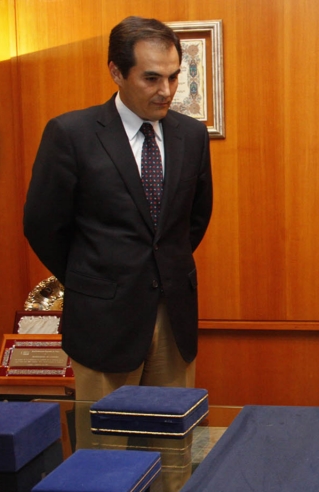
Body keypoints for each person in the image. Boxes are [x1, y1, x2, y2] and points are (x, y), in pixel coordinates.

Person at [23, 15, 213, 401]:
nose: (167, 90)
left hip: (173, 317)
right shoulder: (71, 134)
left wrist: (160, 268)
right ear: (116, 72)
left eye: (174, 77)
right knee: (104, 451)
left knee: (172, 445)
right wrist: (95, 277)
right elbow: (43, 226)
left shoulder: (190, 135)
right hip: (102, 321)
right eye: (152, 78)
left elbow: (195, 218)